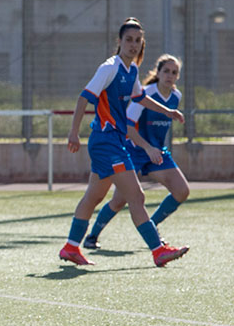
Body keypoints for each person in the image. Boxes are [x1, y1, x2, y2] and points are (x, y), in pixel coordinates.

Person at [59, 18, 189, 268]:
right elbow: (83, 98)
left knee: (94, 197)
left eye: (137, 40)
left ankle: (71, 247)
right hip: (106, 142)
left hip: (114, 141)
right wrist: (73, 132)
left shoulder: (132, 71)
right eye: (128, 40)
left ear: (142, 44)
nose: (133, 44)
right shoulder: (109, 67)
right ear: (119, 42)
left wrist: (168, 112)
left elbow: (140, 98)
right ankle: (158, 250)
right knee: (136, 196)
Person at [83, 54, 189, 249]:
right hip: (135, 150)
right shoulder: (147, 93)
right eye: (166, 71)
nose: (170, 76)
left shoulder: (176, 97)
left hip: (156, 151)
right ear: (157, 73)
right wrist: (147, 147)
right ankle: (92, 236)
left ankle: (152, 228)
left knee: (182, 191)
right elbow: (129, 127)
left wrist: (153, 149)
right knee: (119, 200)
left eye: (174, 73)